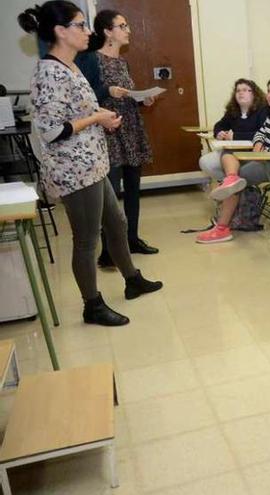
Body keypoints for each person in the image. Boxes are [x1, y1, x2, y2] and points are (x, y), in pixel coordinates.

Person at [19, 1, 162, 326]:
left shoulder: (72, 66)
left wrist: (100, 116)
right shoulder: (48, 72)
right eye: (80, 25)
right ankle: (92, 305)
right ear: (60, 32)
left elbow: (79, 110)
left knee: (117, 224)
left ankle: (132, 279)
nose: (87, 31)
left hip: (93, 163)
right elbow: (51, 130)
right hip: (74, 171)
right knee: (86, 240)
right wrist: (96, 117)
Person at [197, 76, 270, 244]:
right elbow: (261, 132)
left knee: (241, 175)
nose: (269, 95)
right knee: (231, 156)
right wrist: (259, 143)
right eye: (269, 91)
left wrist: (268, 151)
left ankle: (222, 227)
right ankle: (229, 185)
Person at [87, 9, 160, 266]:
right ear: (108, 31)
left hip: (131, 129)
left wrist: (143, 99)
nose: (128, 30)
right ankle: (108, 251)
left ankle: (132, 239)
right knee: (111, 196)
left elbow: (127, 95)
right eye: (122, 26)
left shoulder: (123, 62)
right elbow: (87, 97)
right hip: (109, 132)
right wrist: (108, 90)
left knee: (132, 190)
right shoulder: (92, 60)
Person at [198, 79, 268, 183]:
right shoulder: (233, 111)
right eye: (238, 90)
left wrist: (235, 136)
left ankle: (236, 184)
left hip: (253, 152)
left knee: (244, 169)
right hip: (232, 151)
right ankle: (230, 182)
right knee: (205, 162)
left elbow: (263, 134)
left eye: (245, 90)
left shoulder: (263, 110)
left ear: (254, 94)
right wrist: (219, 133)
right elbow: (219, 125)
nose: (240, 93)